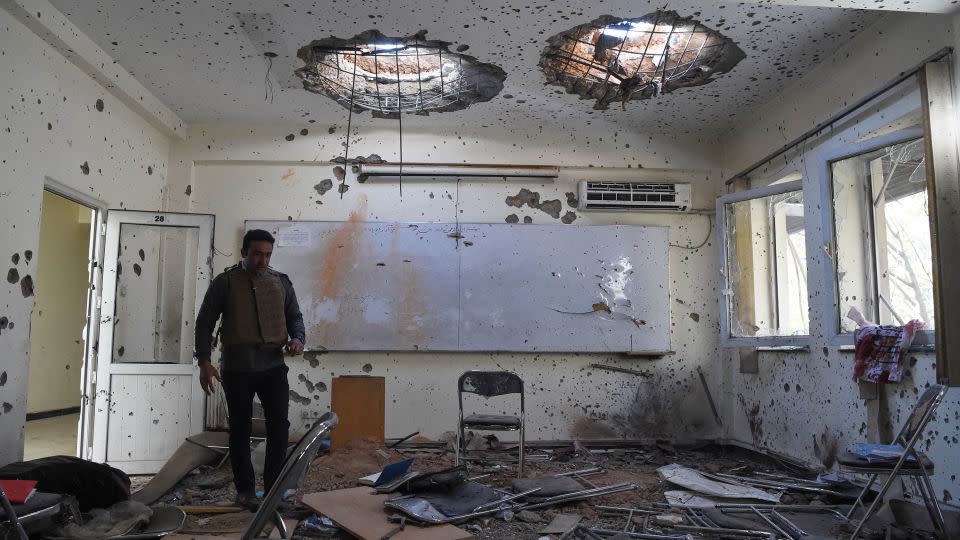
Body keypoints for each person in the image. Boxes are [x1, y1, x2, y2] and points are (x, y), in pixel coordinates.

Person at [194, 229, 305, 510]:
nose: (263, 260)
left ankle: (273, 490)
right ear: (244, 252)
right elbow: (205, 322)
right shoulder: (226, 282)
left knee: (279, 428)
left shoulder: (281, 282)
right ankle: (245, 491)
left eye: (267, 254)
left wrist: (297, 339)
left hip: (273, 367)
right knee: (240, 430)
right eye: (257, 253)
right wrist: (204, 362)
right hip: (237, 368)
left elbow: (295, 317)